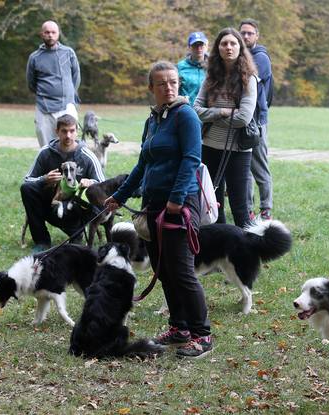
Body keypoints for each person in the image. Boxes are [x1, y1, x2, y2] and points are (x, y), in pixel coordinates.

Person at [104, 61, 212, 358]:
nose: (169, 88)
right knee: (163, 270)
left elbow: (191, 159)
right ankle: (179, 327)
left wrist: (177, 199)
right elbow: (143, 164)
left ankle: (202, 334)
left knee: (182, 272)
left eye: (173, 82)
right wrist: (119, 195)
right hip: (152, 205)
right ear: (151, 88)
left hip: (179, 205)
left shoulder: (185, 116)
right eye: (162, 83)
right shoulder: (154, 120)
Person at [194, 27, 257, 227]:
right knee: (212, 203)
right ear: (218, 48)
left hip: (238, 150)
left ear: (240, 48)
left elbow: (243, 118)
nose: (228, 47)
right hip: (209, 146)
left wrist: (211, 115)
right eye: (224, 44)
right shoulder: (210, 77)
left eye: (233, 43)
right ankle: (218, 251)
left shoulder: (249, 79)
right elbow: (195, 109)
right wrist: (221, 112)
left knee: (240, 205)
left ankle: (247, 253)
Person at [21, 114, 104, 253]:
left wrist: (91, 182)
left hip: (75, 208)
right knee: (27, 189)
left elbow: (103, 183)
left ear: (77, 131)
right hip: (50, 204)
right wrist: (44, 179)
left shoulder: (87, 155)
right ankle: (41, 241)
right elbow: (28, 179)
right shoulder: (45, 152)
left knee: (87, 198)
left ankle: (76, 234)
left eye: (72, 131)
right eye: (64, 131)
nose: (68, 135)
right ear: (57, 131)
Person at [239, 18, 274, 220]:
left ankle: (266, 209)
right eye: (242, 33)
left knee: (260, 167)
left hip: (257, 121)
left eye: (249, 33)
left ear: (256, 36)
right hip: (243, 120)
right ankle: (248, 210)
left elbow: (244, 80)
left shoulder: (261, 57)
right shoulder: (242, 54)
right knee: (245, 169)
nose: (245, 36)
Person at [26, 20, 81, 147]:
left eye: (53, 32)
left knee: (71, 145)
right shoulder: (35, 57)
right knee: (46, 147)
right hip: (43, 109)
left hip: (66, 106)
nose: (50, 35)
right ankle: (50, 168)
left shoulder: (68, 53)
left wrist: (68, 93)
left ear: (58, 34)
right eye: (47, 32)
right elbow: (31, 83)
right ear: (41, 34)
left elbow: (76, 78)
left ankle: (70, 168)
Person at [178, 31, 208, 105]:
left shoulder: (214, 66)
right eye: (195, 45)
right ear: (189, 47)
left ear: (206, 46)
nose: (199, 48)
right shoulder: (180, 67)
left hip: (207, 112)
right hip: (187, 111)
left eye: (201, 45)